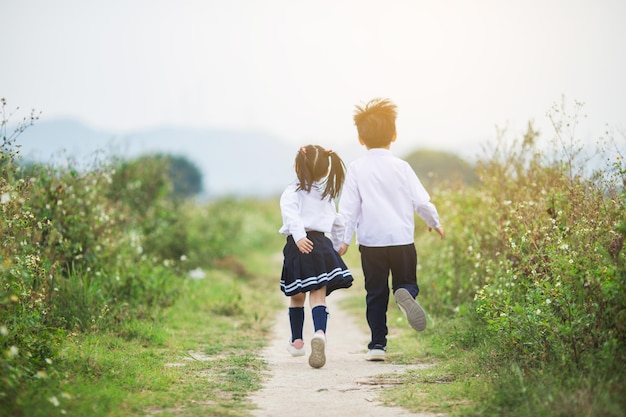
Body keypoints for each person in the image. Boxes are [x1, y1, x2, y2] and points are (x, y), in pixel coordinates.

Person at [337, 98, 445, 361]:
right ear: (394, 135)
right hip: (401, 240)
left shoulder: (356, 168)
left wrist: (341, 241)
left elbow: (348, 210)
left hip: (371, 244)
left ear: (361, 139)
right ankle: (406, 293)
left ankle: (377, 345)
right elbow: (421, 201)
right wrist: (434, 222)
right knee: (405, 282)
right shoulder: (402, 167)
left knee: (375, 294)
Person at [279, 144, 354, 368]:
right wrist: (340, 244)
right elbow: (338, 221)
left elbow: (291, 216)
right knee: (318, 296)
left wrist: (300, 237)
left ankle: (297, 342)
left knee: (297, 296)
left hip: (299, 246)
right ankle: (320, 333)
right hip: (321, 245)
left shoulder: (291, 192)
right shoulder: (325, 194)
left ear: (296, 167)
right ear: (324, 171)